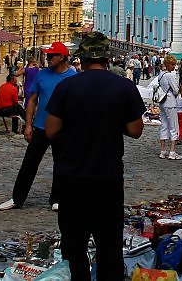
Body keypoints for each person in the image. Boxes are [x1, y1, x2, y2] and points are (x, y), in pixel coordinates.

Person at [45, 32, 144, 281]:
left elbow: (50, 130)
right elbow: (136, 130)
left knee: (73, 244)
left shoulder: (66, 86)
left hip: (71, 176)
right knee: (109, 244)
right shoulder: (124, 86)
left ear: (82, 58)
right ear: (107, 59)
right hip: (107, 175)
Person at [0, 41, 77, 212]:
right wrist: (28, 125)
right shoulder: (42, 74)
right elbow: (32, 100)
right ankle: (17, 198)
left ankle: (57, 198)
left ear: (62, 57)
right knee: (29, 163)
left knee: (61, 164)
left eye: (51, 56)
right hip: (41, 126)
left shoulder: (72, 76)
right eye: (47, 56)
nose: (47, 59)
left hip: (63, 129)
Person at [151, 54, 182, 159]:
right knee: (173, 126)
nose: (174, 67)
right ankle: (172, 152)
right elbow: (176, 90)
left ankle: (163, 150)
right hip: (170, 102)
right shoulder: (169, 75)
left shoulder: (161, 74)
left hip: (162, 102)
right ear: (169, 64)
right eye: (173, 65)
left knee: (163, 125)